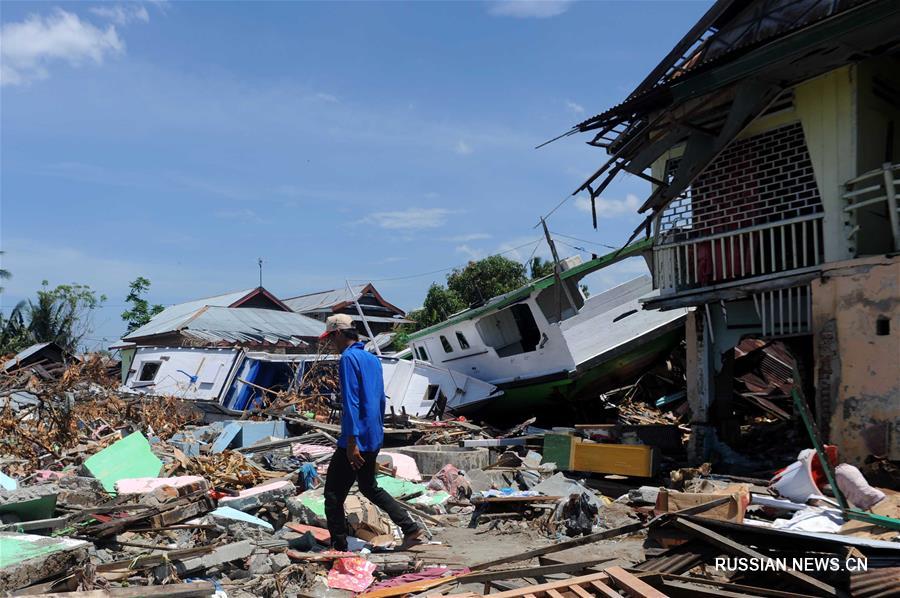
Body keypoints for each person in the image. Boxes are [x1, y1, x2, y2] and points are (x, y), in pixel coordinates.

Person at [320, 313, 423, 551]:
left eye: (330, 338)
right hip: (373, 437)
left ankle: (338, 547)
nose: (330, 344)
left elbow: (351, 402)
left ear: (337, 334)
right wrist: (372, 434)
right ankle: (410, 528)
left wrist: (351, 441)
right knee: (368, 486)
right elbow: (378, 401)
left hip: (355, 440)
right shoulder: (372, 358)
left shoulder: (348, 358)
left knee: (333, 495)